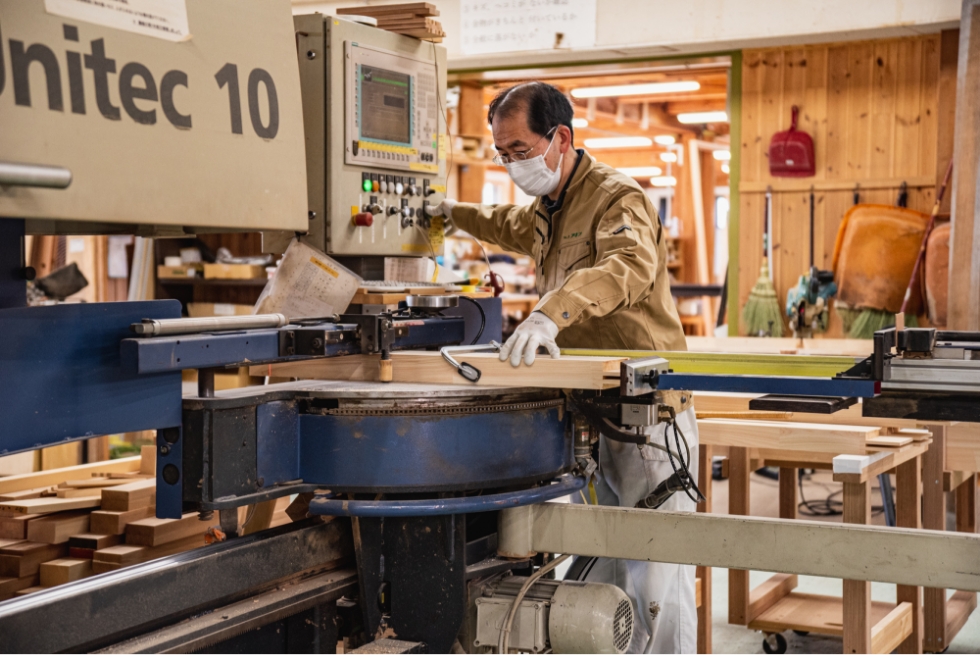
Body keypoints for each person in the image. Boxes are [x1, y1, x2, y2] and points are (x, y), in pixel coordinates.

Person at [429, 82, 700, 653]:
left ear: (561, 138)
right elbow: (504, 222)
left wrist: (549, 315)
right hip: (587, 411)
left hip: (645, 414)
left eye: (521, 151)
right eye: (503, 154)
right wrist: (447, 213)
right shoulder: (548, 209)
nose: (513, 164)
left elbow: (625, 266)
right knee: (596, 564)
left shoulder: (616, 198)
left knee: (655, 568)